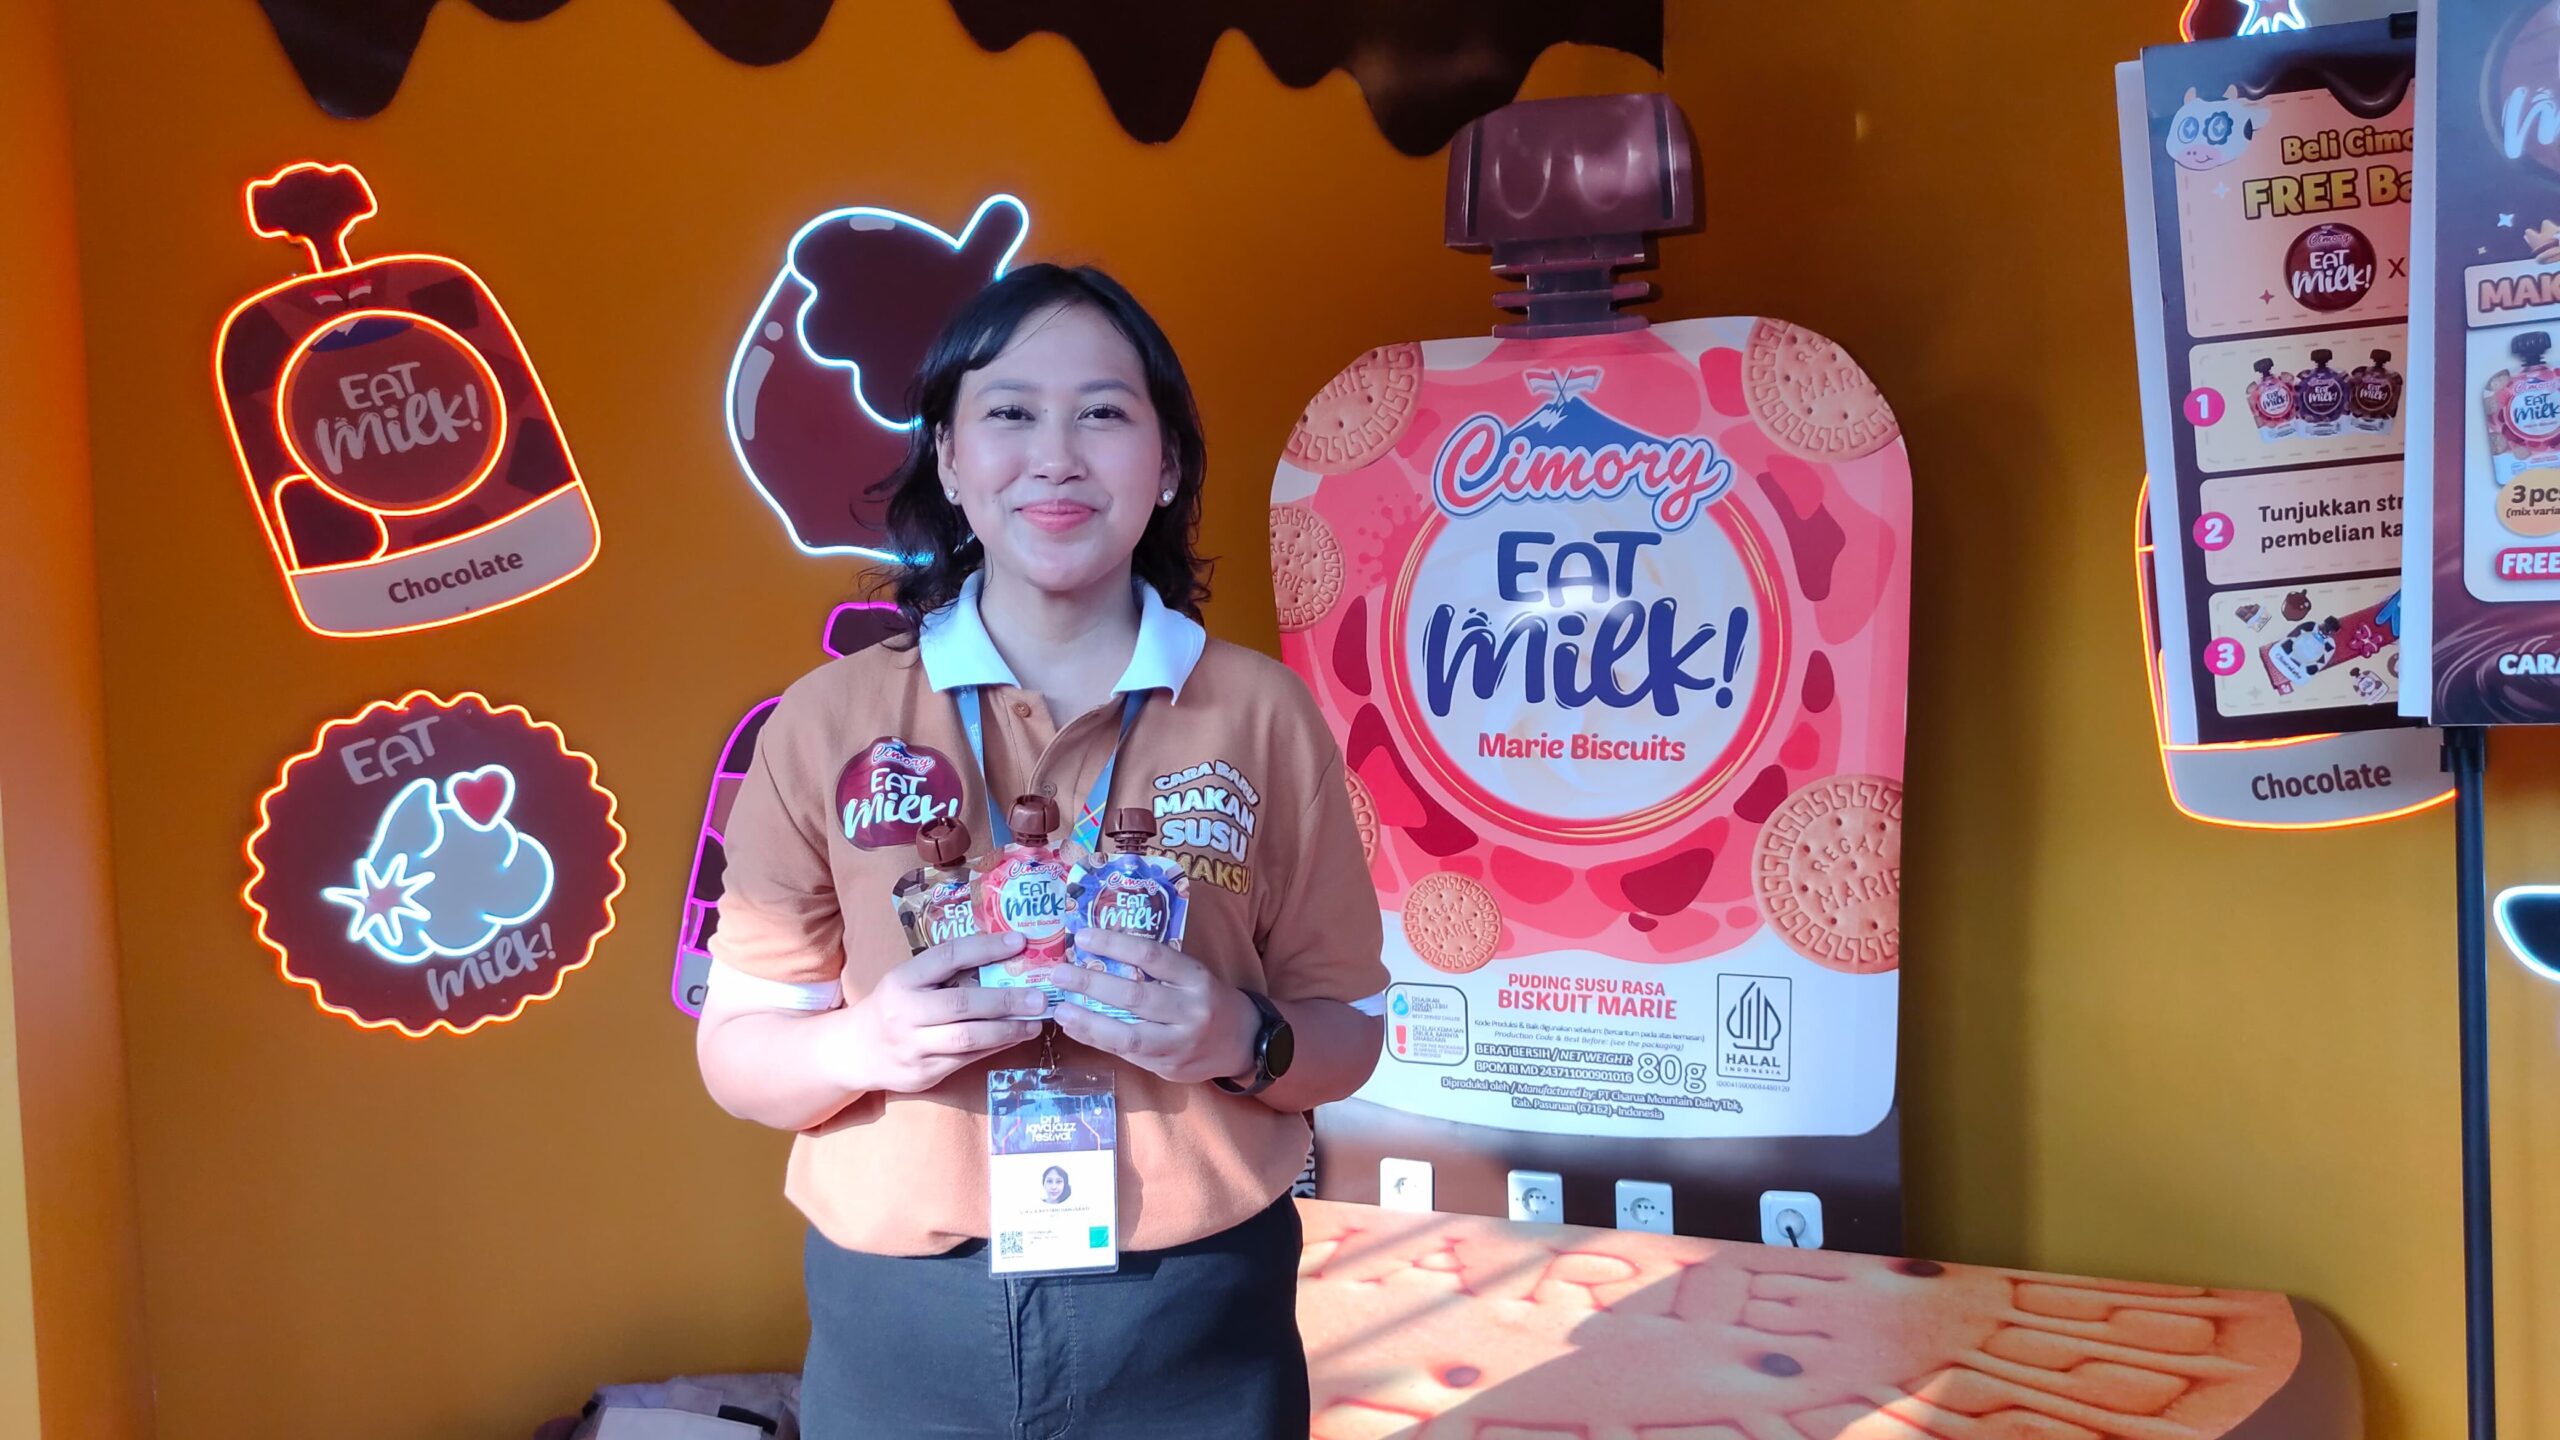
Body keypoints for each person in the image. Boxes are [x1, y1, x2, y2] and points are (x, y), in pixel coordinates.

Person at [695, 263, 1387, 1440]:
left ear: (1166, 467)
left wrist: (1237, 1036)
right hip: (905, 1320)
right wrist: (865, 1043)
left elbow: (1348, 1033)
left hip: (1193, 1317)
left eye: (1103, 413)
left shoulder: (1262, 715)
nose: (1055, 457)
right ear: (949, 459)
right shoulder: (825, 721)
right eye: (1009, 412)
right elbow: (738, 1056)